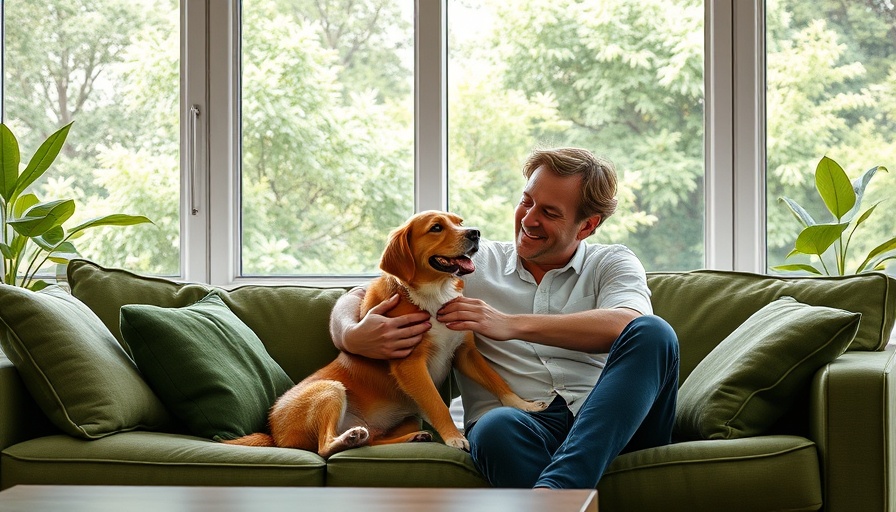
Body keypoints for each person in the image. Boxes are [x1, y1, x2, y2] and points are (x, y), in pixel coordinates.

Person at [328, 147, 679, 489]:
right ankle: (560, 496)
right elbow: (365, 292)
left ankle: (553, 492)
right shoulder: (468, 263)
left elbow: (626, 324)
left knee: (654, 332)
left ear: (586, 226)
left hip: (613, 421)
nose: (528, 219)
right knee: (496, 427)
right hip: (520, 425)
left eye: (550, 212)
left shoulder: (612, 263)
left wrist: (508, 323)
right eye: (526, 201)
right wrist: (349, 334)